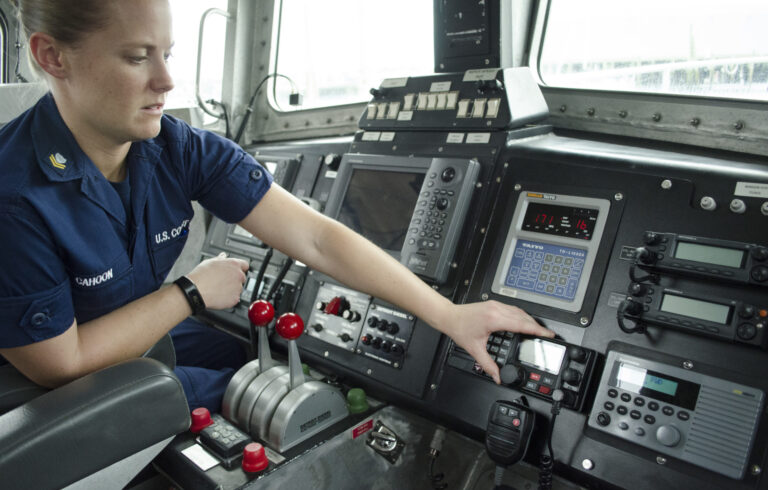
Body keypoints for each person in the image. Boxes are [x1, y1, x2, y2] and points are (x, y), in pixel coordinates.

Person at [0, 0, 553, 412]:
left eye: (167, 54)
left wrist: (449, 315)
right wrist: (192, 292)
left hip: (131, 336)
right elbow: (60, 364)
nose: (167, 81)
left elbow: (314, 237)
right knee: (276, 396)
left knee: (255, 361)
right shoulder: (13, 195)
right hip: (43, 388)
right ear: (52, 56)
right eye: (136, 58)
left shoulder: (174, 146)